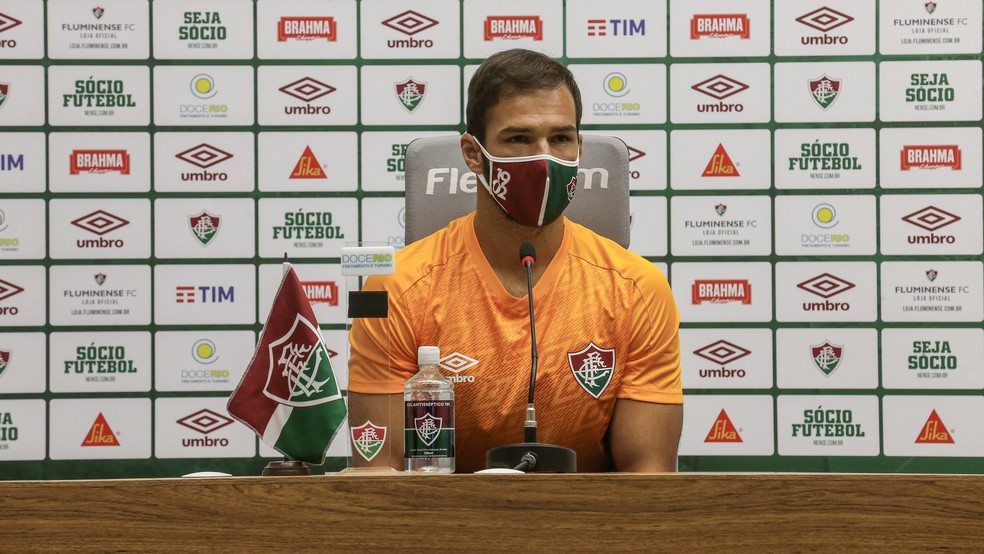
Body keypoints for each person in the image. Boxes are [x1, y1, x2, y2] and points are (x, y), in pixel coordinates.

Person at [347, 48, 682, 473]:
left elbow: (647, 479)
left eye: (560, 139)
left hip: (588, 529)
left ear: (579, 147)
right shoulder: (393, 290)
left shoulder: (638, 289)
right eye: (519, 139)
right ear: (472, 154)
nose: (543, 159)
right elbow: (379, 476)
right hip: (443, 531)